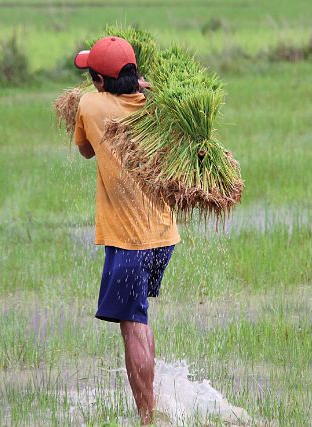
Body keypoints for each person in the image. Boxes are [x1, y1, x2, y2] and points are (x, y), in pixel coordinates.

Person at [73, 36, 180, 425]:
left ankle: (147, 418)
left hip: (128, 242)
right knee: (139, 316)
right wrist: (143, 91)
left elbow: (86, 151)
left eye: (91, 76)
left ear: (100, 81)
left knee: (132, 324)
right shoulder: (157, 108)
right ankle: (154, 403)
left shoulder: (90, 105)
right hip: (165, 236)